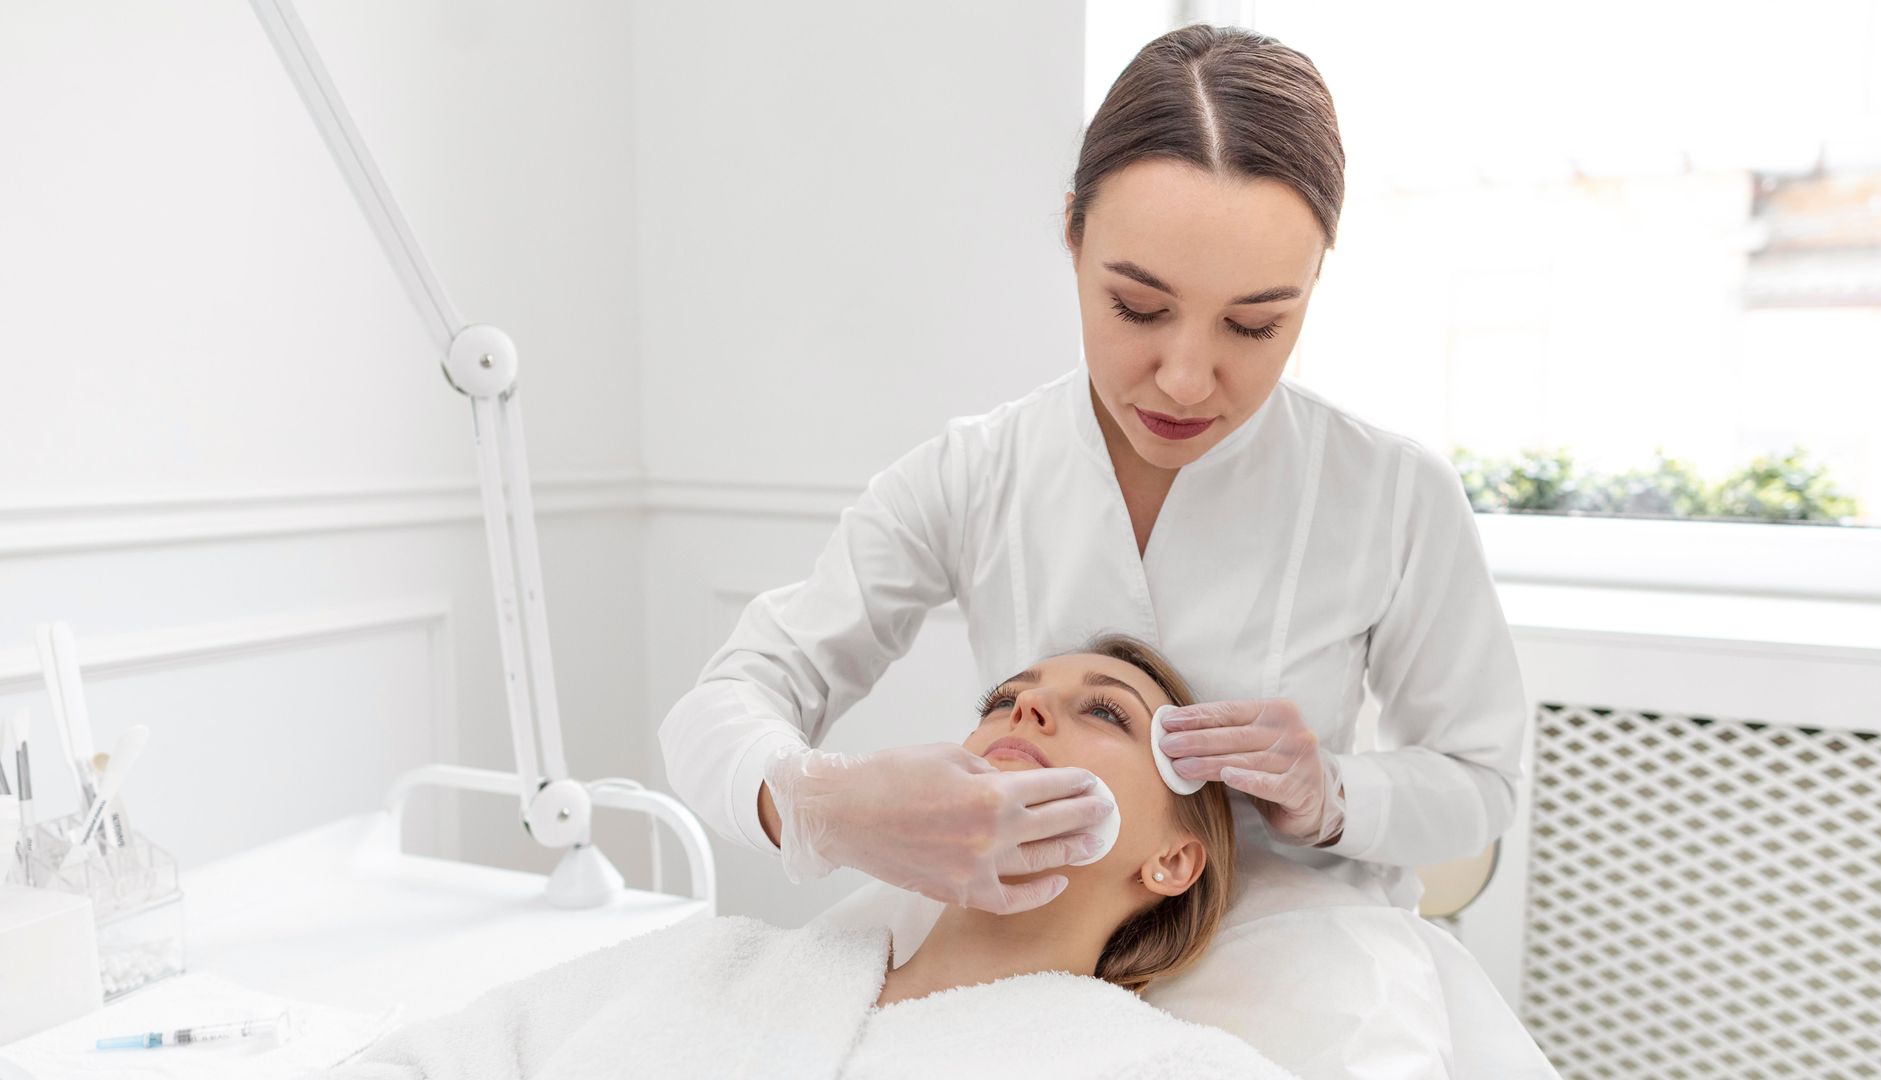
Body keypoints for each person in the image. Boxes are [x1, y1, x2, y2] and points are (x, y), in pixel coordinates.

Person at [659, 22, 1527, 922]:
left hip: (1302, 958)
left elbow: (1481, 781)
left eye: (1255, 324)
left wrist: (1334, 794)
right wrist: (823, 808)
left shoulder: (1393, 494)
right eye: (1138, 306)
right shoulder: (974, 476)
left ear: (1313, 282)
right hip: (1036, 953)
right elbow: (726, 701)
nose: (1187, 380)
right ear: (1073, 235)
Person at [317, 636, 1292, 1080]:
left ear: (1173, 860)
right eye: (1006, 695)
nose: (1024, 710)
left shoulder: (1166, 1065)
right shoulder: (720, 959)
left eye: (1105, 712)